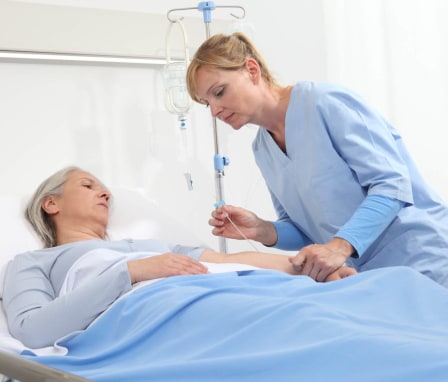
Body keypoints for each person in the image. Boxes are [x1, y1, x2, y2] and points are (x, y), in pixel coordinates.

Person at [186, 32, 448, 287]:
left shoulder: (325, 103)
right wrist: (263, 229)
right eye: (206, 102)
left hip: (422, 259)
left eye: (218, 92)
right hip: (366, 280)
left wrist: (339, 247)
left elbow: (392, 185)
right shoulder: (263, 149)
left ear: (251, 70)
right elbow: (307, 230)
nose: (214, 110)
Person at [2, 166, 356, 348]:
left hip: (223, 289)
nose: (105, 192)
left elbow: (225, 262)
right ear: (51, 203)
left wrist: (311, 268)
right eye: (88, 185)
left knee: (327, 308)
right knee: (305, 327)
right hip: (160, 308)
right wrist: (133, 272)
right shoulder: (32, 263)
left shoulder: (152, 245)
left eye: (105, 188)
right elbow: (32, 330)